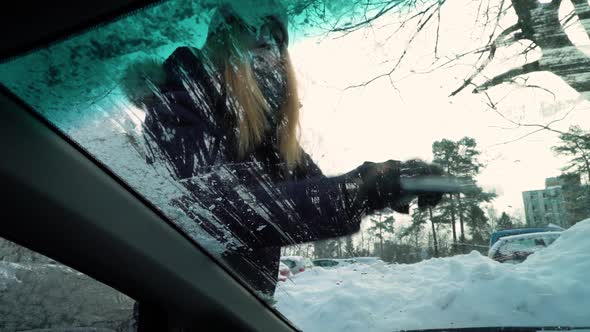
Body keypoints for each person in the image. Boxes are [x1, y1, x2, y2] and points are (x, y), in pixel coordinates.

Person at [122, 3, 444, 304]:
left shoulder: (264, 129)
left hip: (239, 310)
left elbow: (313, 194)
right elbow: (222, 212)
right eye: (256, 28)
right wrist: (362, 190)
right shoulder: (178, 105)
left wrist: (392, 177)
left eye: (278, 34)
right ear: (224, 36)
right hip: (187, 311)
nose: (269, 44)